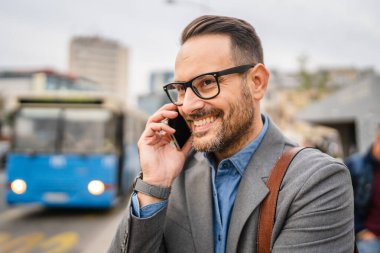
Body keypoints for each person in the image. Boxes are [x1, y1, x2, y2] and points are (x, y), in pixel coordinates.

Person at [108, 15, 354, 253]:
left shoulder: (318, 181)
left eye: (207, 82)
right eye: (181, 89)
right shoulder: (174, 174)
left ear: (256, 82)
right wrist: (153, 185)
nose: (189, 106)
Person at [345, 125, 380, 253]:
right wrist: (360, 230)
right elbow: (342, 203)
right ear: (378, 139)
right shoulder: (354, 165)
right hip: (369, 238)